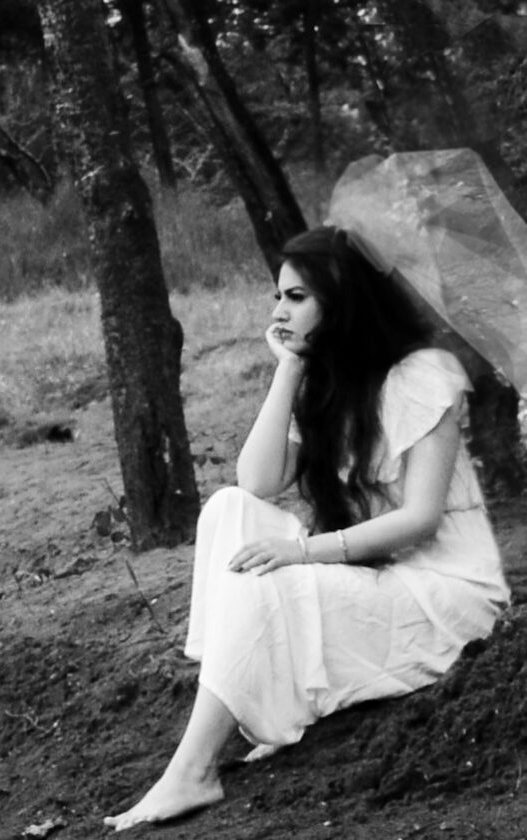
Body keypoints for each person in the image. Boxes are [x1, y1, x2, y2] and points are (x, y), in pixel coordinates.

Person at [103, 226, 511, 832]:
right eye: (278, 297)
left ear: (340, 301)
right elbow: (256, 481)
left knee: (273, 576)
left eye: (295, 298)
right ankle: (247, 707)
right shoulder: (323, 381)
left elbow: (420, 520)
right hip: (378, 578)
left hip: (444, 594)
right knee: (227, 512)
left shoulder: (424, 373)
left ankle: (193, 771)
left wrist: (303, 554)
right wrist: (289, 372)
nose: (276, 312)